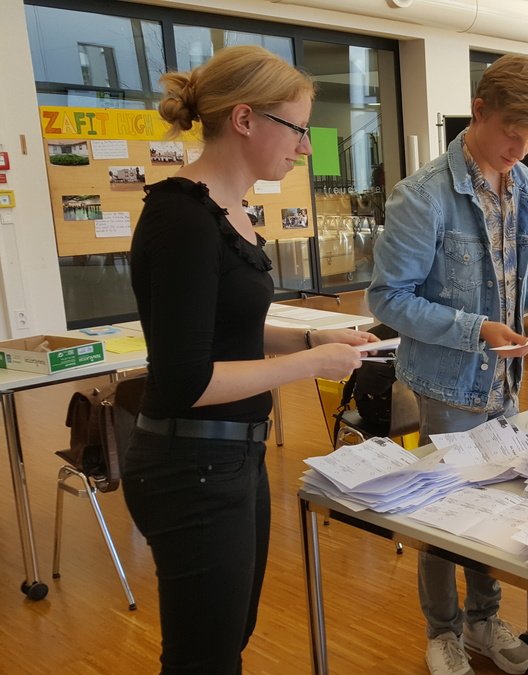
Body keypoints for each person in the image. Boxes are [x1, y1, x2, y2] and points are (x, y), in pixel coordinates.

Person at [124, 45, 373, 674]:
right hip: (190, 464)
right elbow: (187, 379)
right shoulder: (181, 218)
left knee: (231, 634)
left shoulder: (229, 212)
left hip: (234, 454)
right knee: (203, 657)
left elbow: (232, 333)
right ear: (244, 119)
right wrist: (310, 368)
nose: (304, 148)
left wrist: (313, 343)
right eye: (296, 129)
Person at [368, 54, 528, 675]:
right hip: (447, 381)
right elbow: (387, 298)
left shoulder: (526, 187)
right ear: (479, 111)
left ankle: (485, 619)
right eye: (514, 130)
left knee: (493, 508)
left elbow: (524, 270)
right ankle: (444, 631)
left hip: (504, 378)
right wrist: (475, 329)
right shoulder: (424, 195)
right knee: (445, 512)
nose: (522, 147)